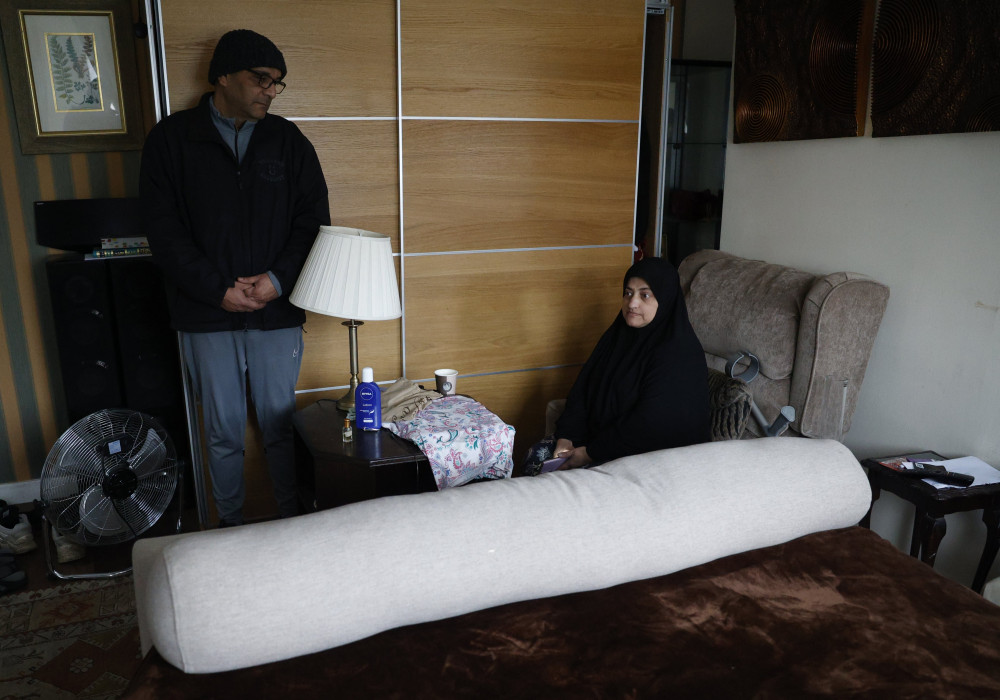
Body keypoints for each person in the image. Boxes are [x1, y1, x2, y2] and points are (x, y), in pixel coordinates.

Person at [140, 29, 331, 526]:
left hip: (276, 310)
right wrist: (216, 289)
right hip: (205, 313)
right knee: (221, 431)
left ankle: (293, 525)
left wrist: (276, 279)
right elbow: (163, 230)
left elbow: (313, 222)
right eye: (260, 78)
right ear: (222, 75)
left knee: (280, 428)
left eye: (277, 83)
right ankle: (229, 530)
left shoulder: (288, 141)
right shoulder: (171, 139)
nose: (270, 90)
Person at [523, 256, 710, 475]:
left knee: (565, 487)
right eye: (628, 293)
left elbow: (651, 425)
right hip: (596, 442)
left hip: (646, 458)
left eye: (645, 295)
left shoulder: (678, 352)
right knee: (536, 459)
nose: (632, 303)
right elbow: (583, 391)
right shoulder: (618, 336)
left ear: (665, 299)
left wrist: (589, 453)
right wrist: (567, 437)